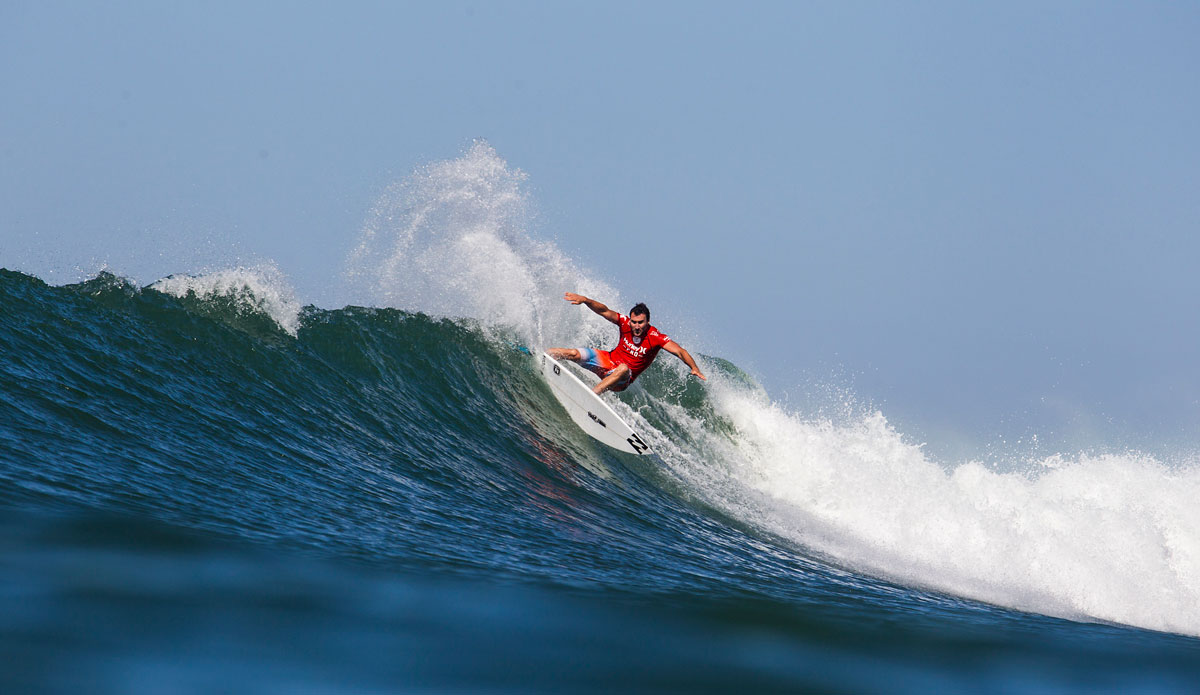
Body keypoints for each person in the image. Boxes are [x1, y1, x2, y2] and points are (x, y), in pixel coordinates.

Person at [548, 292, 706, 395]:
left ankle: (592, 395)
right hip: (608, 361)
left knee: (623, 368)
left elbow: (680, 351)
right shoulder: (625, 323)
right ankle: (541, 355)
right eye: (634, 322)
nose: (636, 326)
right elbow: (604, 311)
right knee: (573, 353)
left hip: (621, 379)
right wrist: (586, 300)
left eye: (640, 323)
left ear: (648, 322)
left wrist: (694, 368)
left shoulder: (655, 336)